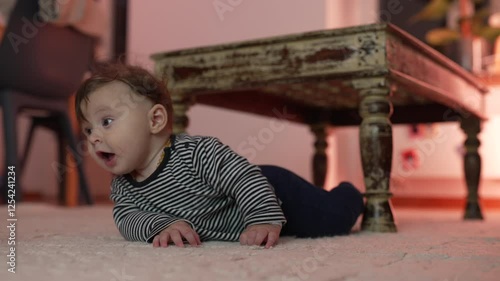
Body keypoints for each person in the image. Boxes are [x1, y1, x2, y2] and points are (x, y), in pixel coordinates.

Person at [75, 63, 364, 249]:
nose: (94, 137)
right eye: (87, 130)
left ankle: (351, 193)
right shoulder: (123, 185)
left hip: (273, 192)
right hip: (245, 212)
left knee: (332, 221)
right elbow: (127, 219)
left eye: (107, 122)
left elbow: (244, 177)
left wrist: (262, 218)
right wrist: (160, 225)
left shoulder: (196, 153)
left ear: (155, 120)